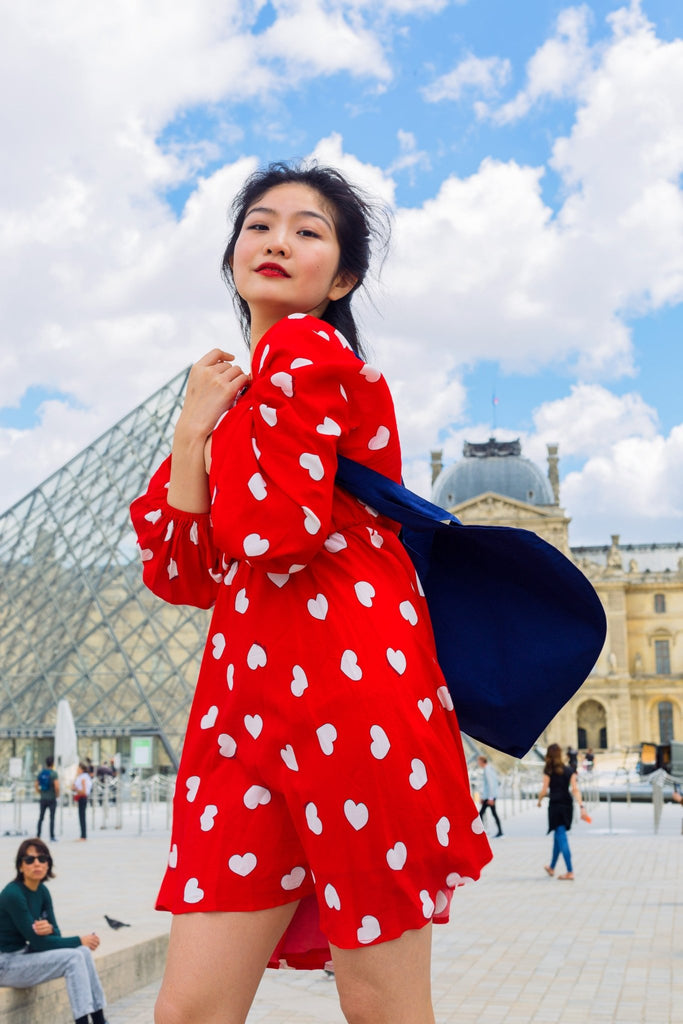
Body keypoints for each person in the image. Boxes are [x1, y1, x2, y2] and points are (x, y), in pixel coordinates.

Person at [130, 161, 493, 1024]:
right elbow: (181, 572)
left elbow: (274, 530)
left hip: (344, 696)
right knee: (361, 1009)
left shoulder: (306, 350)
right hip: (246, 714)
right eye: (258, 224)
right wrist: (191, 431)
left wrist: (203, 444)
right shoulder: (231, 399)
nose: (277, 240)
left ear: (342, 280)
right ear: (231, 257)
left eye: (307, 230)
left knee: (348, 1006)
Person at [0, 838, 107, 1024]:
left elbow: (55, 936)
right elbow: (39, 943)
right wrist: (79, 939)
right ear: (20, 866)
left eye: (42, 859)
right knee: (73, 957)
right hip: (5, 964)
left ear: (48, 864)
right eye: (29, 860)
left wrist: (49, 928)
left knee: (82, 952)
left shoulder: (42, 891)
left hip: (24, 955)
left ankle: (100, 1020)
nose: (37, 864)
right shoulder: (13, 895)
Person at [537, 742, 584, 880]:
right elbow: (575, 789)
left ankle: (570, 871)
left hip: (555, 805)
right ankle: (551, 867)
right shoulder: (569, 770)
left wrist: (539, 801)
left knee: (561, 837)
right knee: (558, 836)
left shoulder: (548, 770)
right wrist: (581, 806)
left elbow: (544, 790)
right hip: (567, 805)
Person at [477, 755, 503, 837]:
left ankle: (481, 833)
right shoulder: (489, 769)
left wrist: (490, 798)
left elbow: (490, 784)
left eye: (479, 761)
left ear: (482, 761)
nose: (478, 763)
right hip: (489, 796)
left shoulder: (487, 770)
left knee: (481, 814)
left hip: (489, 797)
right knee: (492, 813)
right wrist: (484, 797)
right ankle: (500, 832)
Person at [35, 755, 59, 842]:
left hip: (43, 798)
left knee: (41, 817)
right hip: (52, 798)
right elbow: (57, 786)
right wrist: (57, 795)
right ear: (53, 763)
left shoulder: (41, 773)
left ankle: (38, 835)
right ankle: (52, 836)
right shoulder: (54, 773)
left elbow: (36, 784)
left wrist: (40, 792)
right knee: (52, 818)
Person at [72, 763, 92, 841]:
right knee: (81, 817)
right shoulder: (81, 777)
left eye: (78, 769)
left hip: (82, 798)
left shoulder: (83, 778)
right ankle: (82, 835)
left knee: (82, 817)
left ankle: (83, 836)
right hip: (81, 798)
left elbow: (84, 791)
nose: (77, 770)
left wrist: (76, 789)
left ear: (82, 769)